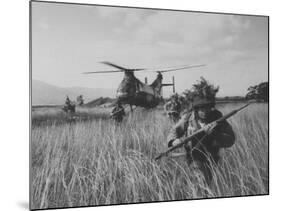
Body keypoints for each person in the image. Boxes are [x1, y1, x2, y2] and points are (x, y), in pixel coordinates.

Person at [167, 78, 235, 185]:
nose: (205, 111)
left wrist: (214, 134)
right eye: (202, 108)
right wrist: (173, 141)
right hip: (193, 157)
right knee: (200, 182)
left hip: (212, 158)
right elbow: (174, 131)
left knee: (207, 185)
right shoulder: (188, 117)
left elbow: (230, 140)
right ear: (196, 108)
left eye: (208, 108)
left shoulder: (217, 117)